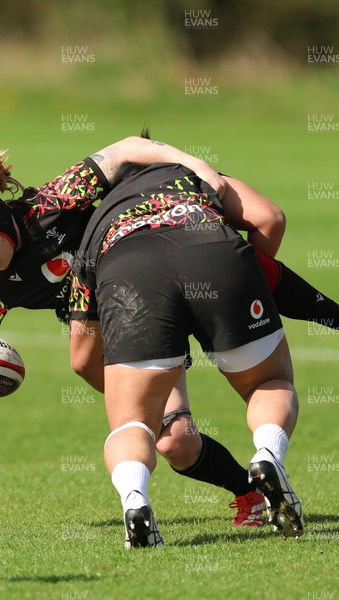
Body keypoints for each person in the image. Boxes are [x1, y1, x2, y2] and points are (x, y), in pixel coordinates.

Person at [0, 138, 337, 545]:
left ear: (4, 225)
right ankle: (251, 490)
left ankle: (146, 485)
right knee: (176, 441)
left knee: (139, 422)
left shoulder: (52, 203)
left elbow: (129, 147)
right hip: (123, 317)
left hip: (135, 277)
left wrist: (193, 163)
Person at [71, 149, 313, 548]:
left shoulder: (98, 218)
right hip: (215, 254)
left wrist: (139, 393)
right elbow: (270, 217)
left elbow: (82, 358)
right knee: (267, 380)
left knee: (133, 424)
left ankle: (135, 501)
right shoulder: (185, 172)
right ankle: (268, 455)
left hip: (130, 273)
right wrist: (244, 285)